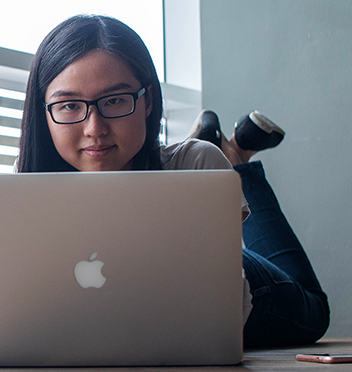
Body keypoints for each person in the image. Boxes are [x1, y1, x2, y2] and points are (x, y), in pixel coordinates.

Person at [16, 14, 329, 348]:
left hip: (252, 297)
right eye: (69, 105)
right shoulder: (20, 193)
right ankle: (233, 152)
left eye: (115, 101)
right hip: (190, 222)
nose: (95, 128)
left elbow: (215, 311)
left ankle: (237, 161)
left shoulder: (198, 163)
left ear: (148, 100)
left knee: (315, 308)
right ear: (44, 111)